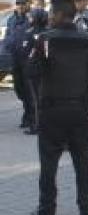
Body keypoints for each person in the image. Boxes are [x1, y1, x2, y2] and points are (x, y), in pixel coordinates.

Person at [27, 0, 88, 215]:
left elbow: (31, 72)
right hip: (80, 109)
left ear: (61, 15)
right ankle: (86, 207)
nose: (49, 17)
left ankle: (46, 210)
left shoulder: (43, 40)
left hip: (51, 110)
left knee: (48, 162)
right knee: (83, 161)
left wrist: (38, 101)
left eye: (52, 13)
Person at [12, 7, 49, 135]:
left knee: (35, 99)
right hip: (46, 70)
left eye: (31, 16)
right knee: (42, 98)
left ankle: (37, 125)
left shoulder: (30, 33)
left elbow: (24, 51)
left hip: (33, 70)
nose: (29, 18)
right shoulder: (48, 32)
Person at [6, 0, 32, 130]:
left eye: (23, 3)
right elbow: (8, 37)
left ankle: (29, 117)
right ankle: (27, 113)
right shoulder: (11, 20)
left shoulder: (31, 19)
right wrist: (6, 46)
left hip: (27, 60)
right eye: (18, 3)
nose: (20, 6)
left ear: (28, 4)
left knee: (28, 91)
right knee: (19, 89)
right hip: (15, 59)